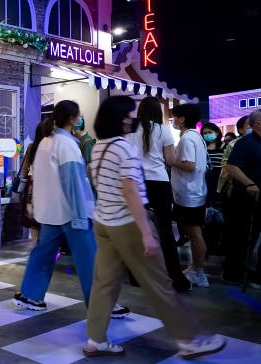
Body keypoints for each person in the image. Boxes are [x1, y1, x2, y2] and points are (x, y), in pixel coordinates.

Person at [83, 96, 225, 359]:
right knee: (158, 283)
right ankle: (188, 339)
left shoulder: (100, 147)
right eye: (126, 115)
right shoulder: (123, 148)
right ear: (117, 118)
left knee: (104, 283)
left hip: (103, 222)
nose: (130, 119)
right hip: (128, 224)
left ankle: (96, 339)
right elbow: (131, 192)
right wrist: (147, 232)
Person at [12, 101, 129, 319]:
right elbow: (74, 183)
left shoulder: (46, 141)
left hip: (50, 213)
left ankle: (30, 295)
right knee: (90, 259)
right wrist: (80, 215)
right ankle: (102, 304)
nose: (81, 118)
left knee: (43, 254)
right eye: (79, 115)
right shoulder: (67, 145)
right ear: (73, 119)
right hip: (71, 213)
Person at [125, 96, 192, 293]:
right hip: (159, 183)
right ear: (158, 112)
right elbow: (170, 160)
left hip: (136, 182)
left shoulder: (130, 130)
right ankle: (176, 278)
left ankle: (135, 276)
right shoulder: (164, 130)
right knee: (165, 231)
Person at [222, 108, 261, 290]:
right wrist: (249, 184)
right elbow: (232, 166)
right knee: (243, 237)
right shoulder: (246, 143)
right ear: (258, 123)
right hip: (248, 199)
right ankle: (234, 274)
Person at [170, 103, 211, 288]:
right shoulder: (195, 136)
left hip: (189, 193)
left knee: (194, 233)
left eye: (175, 117)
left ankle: (199, 272)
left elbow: (189, 165)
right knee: (193, 232)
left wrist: (170, 160)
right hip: (194, 191)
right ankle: (195, 267)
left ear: (183, 119)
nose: (174, 120)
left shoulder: (187, 139)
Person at [18, 120, 53, 245]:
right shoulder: (50, 147)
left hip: (32, 185)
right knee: (45, 220)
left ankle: (34, 247)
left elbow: (24, 169)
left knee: (33, 221)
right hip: (45, 186)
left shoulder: (31, 147)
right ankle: (44, 248)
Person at [201, 122, 224, 206]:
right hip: (204, 178)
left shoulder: (225, 146)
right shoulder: (202, 147)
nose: (207, 135)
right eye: (204, 133)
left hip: (219, 178)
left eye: (210, 132)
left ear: (217, 133)